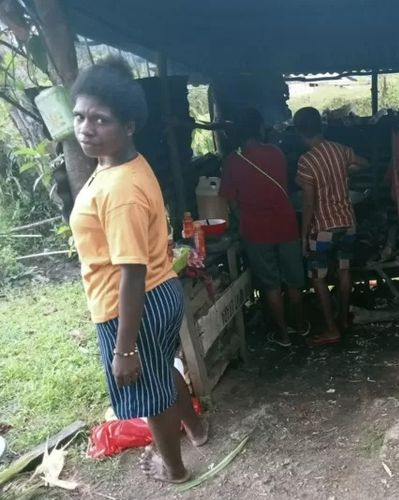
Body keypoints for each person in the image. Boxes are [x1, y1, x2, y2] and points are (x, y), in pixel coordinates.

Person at [68, 57, 206, 484]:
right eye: (79, 116)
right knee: (163, 369)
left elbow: (130, 270)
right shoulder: (119, 164)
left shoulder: (120, 188)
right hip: (157, 292)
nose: (86, 128)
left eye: (100, 120)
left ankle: (175, 469)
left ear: (128, 125)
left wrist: (124, 348)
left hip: (132, 302)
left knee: (148, 393)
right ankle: (197, 430)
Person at [220, 108, 308, 346]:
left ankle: (283, 335)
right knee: (293, 280)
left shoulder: (232, 162)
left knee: (271, 284)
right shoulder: (276, 152)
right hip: (286, 224)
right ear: (259, 128)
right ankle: (300, 326)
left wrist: (241, 217)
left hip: (256, 231)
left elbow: (230, 199)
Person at [294, 107, 369, 345]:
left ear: (299, 132)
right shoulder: (339, 150)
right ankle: (344, 319)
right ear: (321, 126)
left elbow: (308, 203)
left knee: (318, 278)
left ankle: (331, 328)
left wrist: (304, 236)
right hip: (347, 223)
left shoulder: (306, 162)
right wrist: (346, 170)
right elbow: (364, 163)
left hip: (323, 228)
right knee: (344, 270)